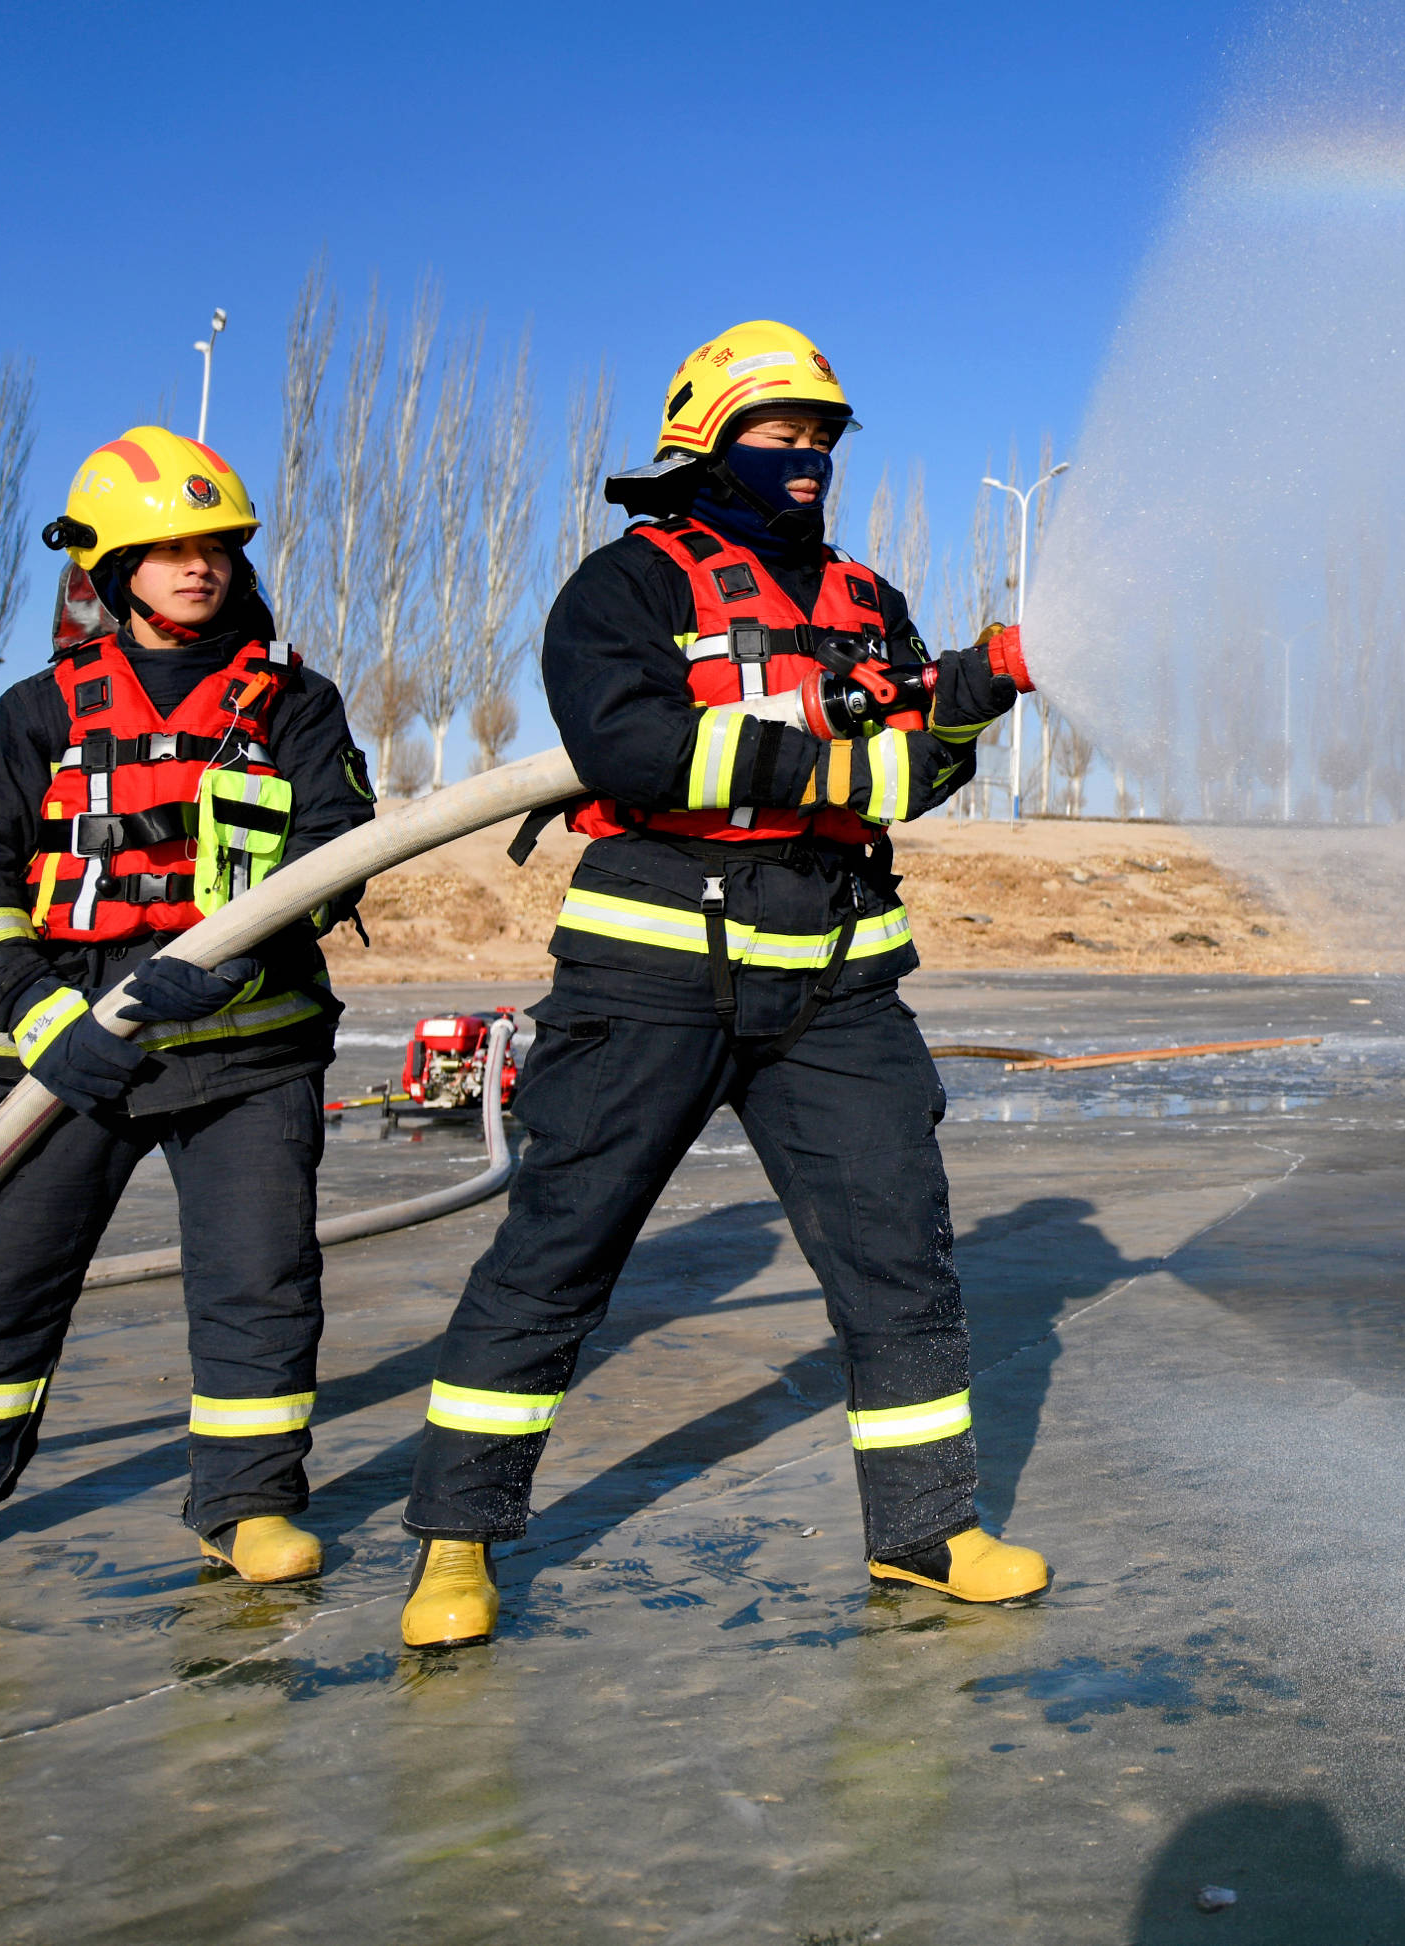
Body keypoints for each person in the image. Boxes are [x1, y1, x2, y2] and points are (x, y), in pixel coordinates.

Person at [394, 319, 1040, 1652]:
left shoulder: (869, 602)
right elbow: (623, 744)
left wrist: (967, 699)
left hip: (840, 992)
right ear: (703, 441)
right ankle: (456, 1543)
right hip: (652, 978)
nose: (803, 458)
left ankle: (927, 1533)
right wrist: (827, 755)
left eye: (820, 439)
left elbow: (919, 770)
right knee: (555, 1256)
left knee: (901, 1265)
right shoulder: (626, 585)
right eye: (776, 434)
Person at [0, 428, 374, 1592]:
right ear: (106, 569)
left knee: (259, 1282)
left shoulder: (294, 703)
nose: (198, 569)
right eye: (166, 550)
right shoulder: (41, 709)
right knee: (4, 1284)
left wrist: (231, 957)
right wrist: (34, 1012)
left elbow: (338, 851)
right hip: (68, 1058)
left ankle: (247, 1507)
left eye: (214, 548)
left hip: (245, 1053)